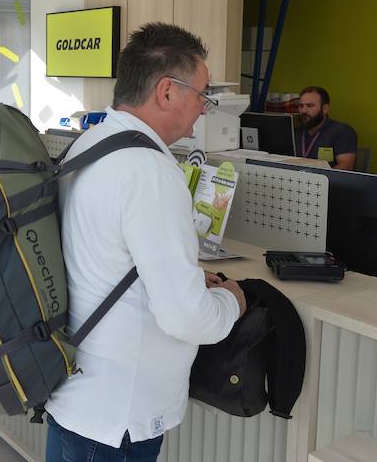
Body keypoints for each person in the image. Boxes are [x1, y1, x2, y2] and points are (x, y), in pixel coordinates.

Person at [44, 23, 246, 462]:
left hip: (77, 390)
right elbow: (187, 318)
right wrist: (233, 301)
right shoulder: (150, 171)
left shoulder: (89, 144)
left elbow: (106, 260)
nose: (205, 110)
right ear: (168, 91)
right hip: (118, 416)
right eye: (204, 95)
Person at [297, 86, 357, 170]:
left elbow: (346, 166)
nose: (303, 111)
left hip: (327, 181)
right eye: (301, 106)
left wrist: (318, 178)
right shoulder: (296, 131)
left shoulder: (342, 131)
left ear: (325, 109)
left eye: (309, 106)